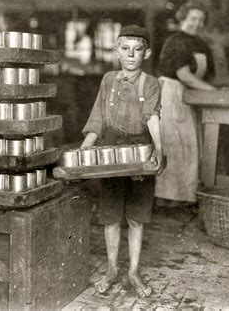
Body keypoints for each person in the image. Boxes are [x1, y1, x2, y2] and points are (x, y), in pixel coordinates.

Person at [81, 25, 164, 297]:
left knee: (137, 217)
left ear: (146, 53)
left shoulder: (151, 83)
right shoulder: (108, 80)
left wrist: (158, 151)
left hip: (140, 153)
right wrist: (85, 149)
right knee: (111, 217)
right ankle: (112, 269)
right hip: (111, 152)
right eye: (125, 49)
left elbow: (152, 117)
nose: (131, 55)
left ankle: (133, 272)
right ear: (116, 51)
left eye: (137, 49)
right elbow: (98, 117)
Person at [155, 1, 217, 208]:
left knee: (189, 148)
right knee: (174, 146)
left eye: (201, 20)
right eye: (193, 19)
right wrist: (212, 92)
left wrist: (211, 88)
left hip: (192, 96)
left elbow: (208, 75)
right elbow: (184, 76)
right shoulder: (176, 41)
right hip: (172, 95)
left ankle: (182, 197)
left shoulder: (201, 44)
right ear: (183, 18)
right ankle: (165, 198)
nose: (197, 23)